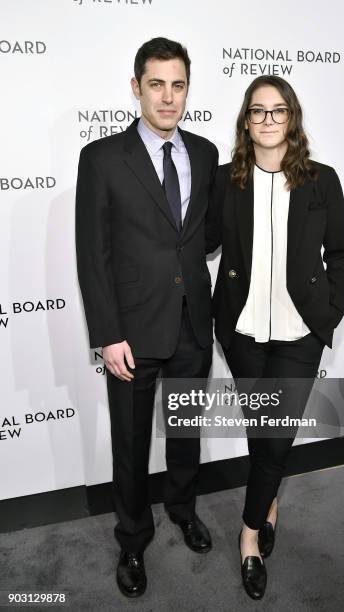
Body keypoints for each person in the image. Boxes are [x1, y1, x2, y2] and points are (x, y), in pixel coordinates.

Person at [76, 37, 218, 599]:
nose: (167, 96)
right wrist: (108, 335)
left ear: (188, 89)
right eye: (155, 84)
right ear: (136, 88)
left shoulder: (205, 154)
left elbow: (203, 236)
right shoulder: (103, 157)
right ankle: (133, 538)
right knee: (131, 443)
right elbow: (94, 254)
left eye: (177, 84)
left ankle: (182, 509)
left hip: (192, 323)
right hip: (132, 333)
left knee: (185, 430)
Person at [206, 75, 344, 600]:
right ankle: (268, 505)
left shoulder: (321, 179)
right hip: (243, 331)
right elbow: (200, 244)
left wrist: (327, 314)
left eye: (279, 111)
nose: (268, 120)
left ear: (292, 118)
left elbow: (339, 252)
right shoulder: (227, 181)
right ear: (246, 121)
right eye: (258, 111)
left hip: (298, 334)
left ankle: (249, 537)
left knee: (276, 438)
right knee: (259, 431)